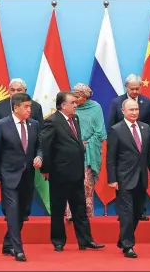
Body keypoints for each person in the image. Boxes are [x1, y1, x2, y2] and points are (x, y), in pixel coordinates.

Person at [41, 91, 104, 252]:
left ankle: (85, 240)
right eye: (73, 103)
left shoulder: (74, 118)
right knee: (58, 209)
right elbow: (45, 147)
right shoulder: (52, 121)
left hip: (77, 172)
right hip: (59, 173)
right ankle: (58, 241)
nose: (76, 105)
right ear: (63, 105)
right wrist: (45, 169)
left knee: (80, 208)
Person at [0, 93, 43, 262]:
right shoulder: (1, 125)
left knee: (22, 212)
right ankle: (18, 249)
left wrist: (39, 156)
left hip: (27, 176)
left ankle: (7, 243)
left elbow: (39, 145)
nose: (29, 109)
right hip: (8, 175)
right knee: (12, 211)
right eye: (26, 107)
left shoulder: (34, 124)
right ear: (16, 107)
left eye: (30, 106)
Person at [106, 99, 150, 258]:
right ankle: (128, 245)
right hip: (123, 178)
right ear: (123, 111)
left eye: (136, 109)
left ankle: (123, 239)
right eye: (131, 110)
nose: (134, 112)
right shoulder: (116, 129)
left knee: (136, 213)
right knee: (126, 213)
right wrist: (112, 178)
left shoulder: (145, 127)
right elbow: (111, 157)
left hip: (141, 177)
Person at [0, 78, 43, 222]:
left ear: (25, 91)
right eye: (12, 90)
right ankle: (9, 215)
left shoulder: (35, 107)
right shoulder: (0, 106)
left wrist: (40, 156)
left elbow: (40, 136)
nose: (15, 93)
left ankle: (25, 213)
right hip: (7, 161)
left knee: (27, 189)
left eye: (18, 90)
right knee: (9, 193)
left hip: (28, 160)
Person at [108, 74, 150, 221]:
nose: (135, 91)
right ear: (126, 87)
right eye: (132, 88)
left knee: (141, 185)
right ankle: (123, 213)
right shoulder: (117, 102)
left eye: (138, 88)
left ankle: (140, 212)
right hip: (123, 149)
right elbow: (111, 126)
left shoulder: (146, 102)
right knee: (124, 186)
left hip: (142, 148)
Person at [64, 84, 107, 221]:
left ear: (86, 96)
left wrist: (86, 143)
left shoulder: (95, 108)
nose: (76, 99)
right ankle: (71, 213)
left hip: (89, 153)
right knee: (71, 183)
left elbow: (100, 132)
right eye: (74, 95)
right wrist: (74, 143)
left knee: (87, 185)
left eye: (79, 96)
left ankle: (85, 214)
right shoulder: (70, 107)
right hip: (71, 152)